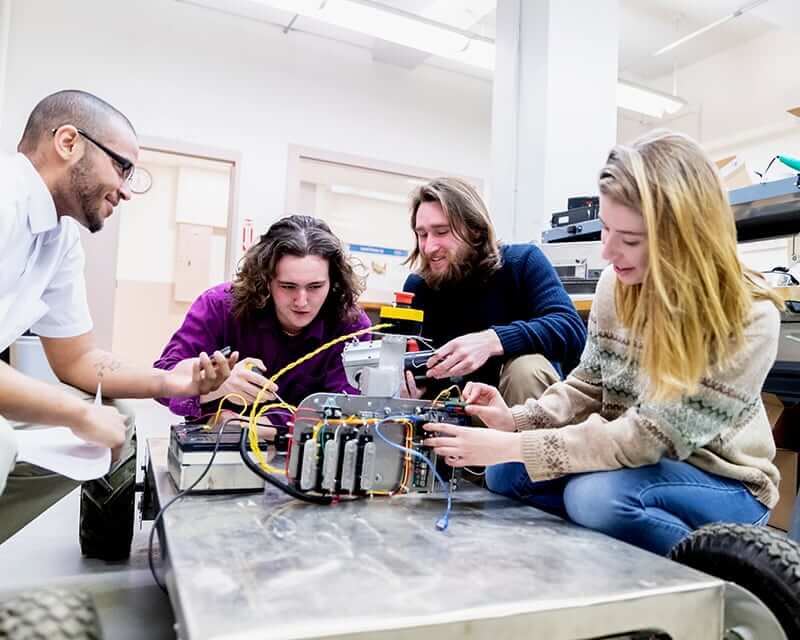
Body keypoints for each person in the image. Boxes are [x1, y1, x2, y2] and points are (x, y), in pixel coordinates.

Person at [422, 131, 784, 556]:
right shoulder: (617, 286)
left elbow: (648, 437)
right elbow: (587, 385)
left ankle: (733, 569)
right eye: (606, 230)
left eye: (629, 239)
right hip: (637, 464)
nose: (608, 253)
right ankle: (602, 552)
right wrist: (515, 421)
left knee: (595, 497)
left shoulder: (751, 318)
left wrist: (515, 445)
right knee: (507, 475)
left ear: (685, 239)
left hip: (721, 483)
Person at [0, 90, 235, 554]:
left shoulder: (58, 237)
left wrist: (170, 382)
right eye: (122, 167)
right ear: (68, 142)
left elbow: (78, 359)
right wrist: (77, 413)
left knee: (117, 418)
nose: (127, 189)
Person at [155, 215, 371, 424]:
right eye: (288, 286)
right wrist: (216, 385)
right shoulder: (219, 306)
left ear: (333, 282)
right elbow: (162, 379)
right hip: (213, 447)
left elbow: (347, 410)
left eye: (315, 287)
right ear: (265, 279)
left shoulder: (351, 324)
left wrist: (257, 426)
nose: (302, 301)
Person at [402, 178, 586, 406]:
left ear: (475, 230)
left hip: (517, 413)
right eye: (422, 234)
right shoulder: (417, 287)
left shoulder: (522, 263)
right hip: (451, 414)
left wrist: (492, 341)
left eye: (441, 232)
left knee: (526, 369)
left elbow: (571, 328)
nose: (429, 247)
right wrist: (408, 389)